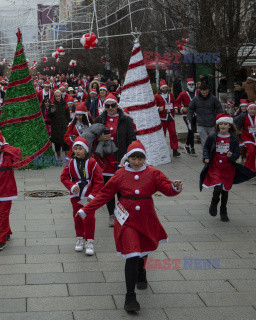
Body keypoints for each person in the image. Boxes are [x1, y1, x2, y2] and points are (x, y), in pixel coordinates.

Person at [77, 140, 182, 312]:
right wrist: (85, 210)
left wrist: (175, 186)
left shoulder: (153, 173)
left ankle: (142, 271)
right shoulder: (119, 175)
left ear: (144, 158)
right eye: (133, 158)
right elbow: (104, 195)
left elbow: (167, 189)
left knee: (144, 248)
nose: (136, 162)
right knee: (132, 253)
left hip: (146, 218)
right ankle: (130, 296)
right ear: (128, 158)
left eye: (140, 158)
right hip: (126, 220)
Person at [200, 113, 256, 222]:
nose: (223, 126)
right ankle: (214, 201)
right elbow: (206, 148)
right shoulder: (213, 136)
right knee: (218, 186)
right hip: (215, 167)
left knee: (225, 190)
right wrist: (206, 158)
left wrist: (231, 155)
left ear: (230, 126)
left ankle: (223, 210)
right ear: (218, 125)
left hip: (228, 168)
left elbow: (237, 153)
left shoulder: (233, 139)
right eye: (221, 124)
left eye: (226, 124)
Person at [93, 95, 136, 226]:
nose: (110, 108)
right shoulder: (99, 119)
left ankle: (121, 213)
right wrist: (99, 138)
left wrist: (131, 156)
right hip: (104, 162)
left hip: (120, 159)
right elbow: (91, 137)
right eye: (107, 106)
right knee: (108, 189)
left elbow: (132, 139)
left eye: (113, 105)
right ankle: (111, 214)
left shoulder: (126, 120)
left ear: (117, 105)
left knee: (122, 189)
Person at [60, 137, 103, 255]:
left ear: (86, 150)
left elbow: (99, 180)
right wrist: (72, 186)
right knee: (77, 216)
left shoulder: (92, 162)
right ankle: (79, 238)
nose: (77, 151)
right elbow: (64, 177)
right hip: (76, 196)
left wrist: (93, 195)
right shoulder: (70, 163)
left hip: (89, 195)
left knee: (89, 217)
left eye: (80, 149)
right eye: (75, 148)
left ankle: (89, 241)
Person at [155, 79, 180, 157]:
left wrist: (175, 108)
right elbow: (153, 106)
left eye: (165, 88)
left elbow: (174, 102)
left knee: (173, 133)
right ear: (160, 88)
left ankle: (175, 150)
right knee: (162, 135)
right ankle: (162, 151)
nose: (164, 89)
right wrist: (158, 109)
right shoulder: (156, 96)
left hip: (171, 116)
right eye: (163, 88)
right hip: (162, 117)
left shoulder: (170, 94)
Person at [176, 78, 198, 154]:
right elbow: (177, 103)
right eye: (190, 85)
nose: (191, 86)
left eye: (192, 84)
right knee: (191, 130)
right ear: (187, 85)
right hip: (187, 114)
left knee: (192, 130)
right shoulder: (183, 94)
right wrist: (182, 108)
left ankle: (187, 145)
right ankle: (192, 147)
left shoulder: (198, 92)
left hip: (196, 114)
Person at [48, 90, 70, 162]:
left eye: (59, 96)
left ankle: (67, 156)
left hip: (63, 125)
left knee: (65, 141)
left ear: (61, 96)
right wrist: (51, 112)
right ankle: (58, 156)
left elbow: (67, 114)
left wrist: (67, 122)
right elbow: (48, 115)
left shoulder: (65, 103)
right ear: (54, 96)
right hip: (55, 126)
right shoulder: (52, 104)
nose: (58, 97)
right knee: (57, 142)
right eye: (56, 96)